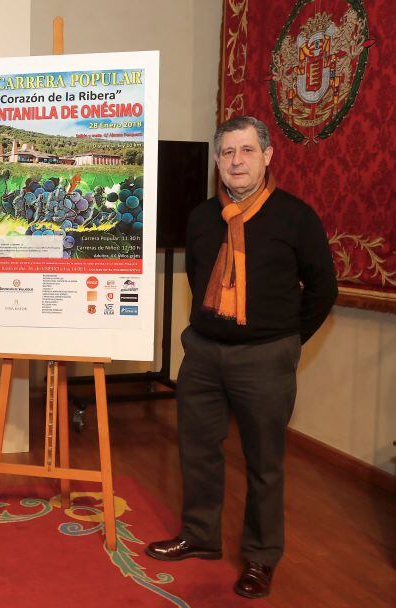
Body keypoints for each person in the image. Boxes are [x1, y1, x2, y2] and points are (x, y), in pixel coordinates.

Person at [145, 116, 337, 599]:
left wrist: (287, 340)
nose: (236, 161)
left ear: (268, 156)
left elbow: (322, 289)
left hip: (265, 360)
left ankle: (260, 556)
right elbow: (196, 278)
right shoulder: (201, 217)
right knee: (198, 452)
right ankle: (200, 536)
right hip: (204, 356)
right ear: (217, 160)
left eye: (247, 151)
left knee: (264, 463)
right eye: (228, 152)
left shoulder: (296, 217)